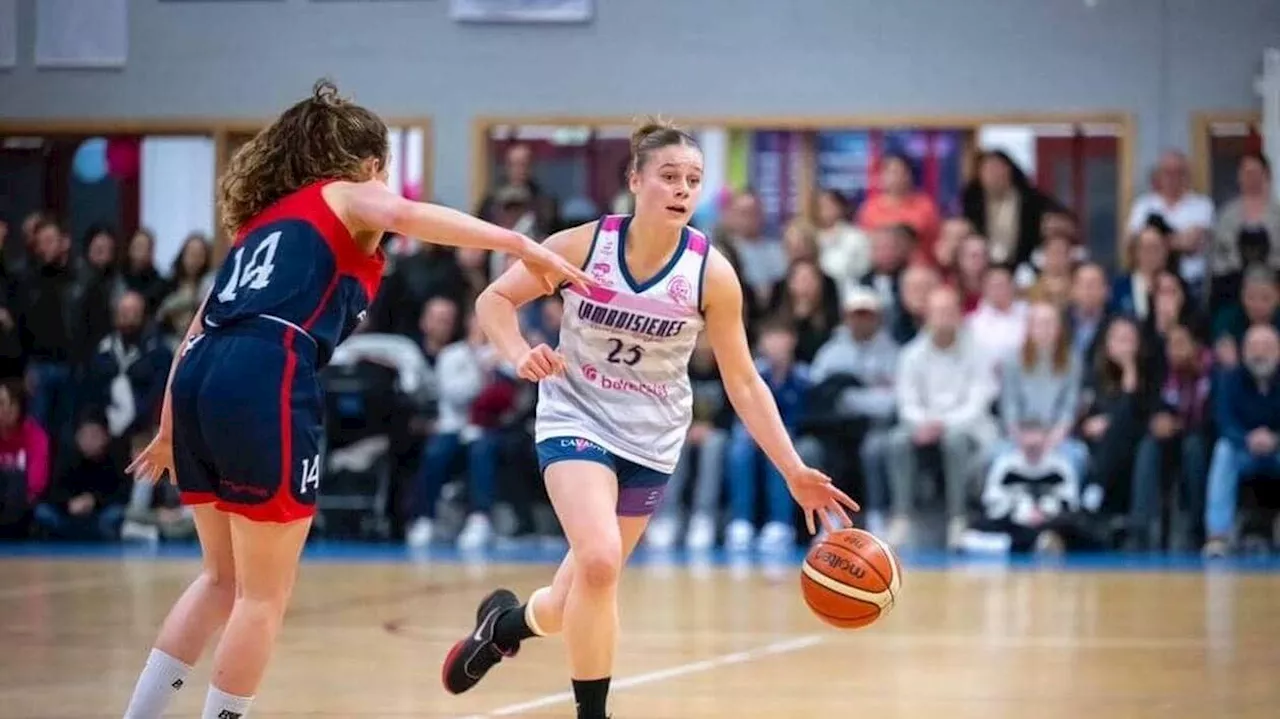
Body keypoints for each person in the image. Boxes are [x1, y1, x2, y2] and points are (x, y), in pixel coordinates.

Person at [119, 80, 589, 719]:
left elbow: (197, 330)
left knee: (219, 580)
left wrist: (170, 430)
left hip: (203, 376)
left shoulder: (265, 221)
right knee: (263, 594)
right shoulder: (346, 193)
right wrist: (519, 244)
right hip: (265, 370)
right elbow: (406, 215)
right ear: (368, 163)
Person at [440, 120, 857, 719]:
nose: (682, 188)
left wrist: (793, 469)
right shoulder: (583, 246)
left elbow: (743, 380)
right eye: (668, 176)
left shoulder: (711, 273)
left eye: (693, 179)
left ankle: (502, 626)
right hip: (575, 416)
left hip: (653, 439)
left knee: (568, 602)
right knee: (601, 561)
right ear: (635, 180)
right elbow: (493, 301)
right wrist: (518, 355)